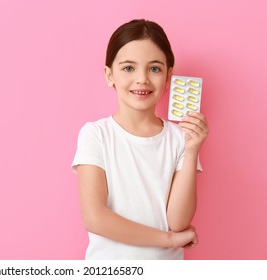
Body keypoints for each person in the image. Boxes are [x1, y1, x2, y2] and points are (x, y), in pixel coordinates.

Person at [71, 19, 209, 260]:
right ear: (109, 75)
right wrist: (167, 239)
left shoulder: (179, 139)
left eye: (154, 68)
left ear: (168, 76)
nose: (142, 79)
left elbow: (178, 222)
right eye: (128, 68)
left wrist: (192, 150)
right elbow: (94, 217)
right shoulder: (96, 134)